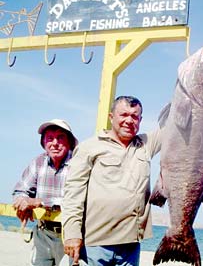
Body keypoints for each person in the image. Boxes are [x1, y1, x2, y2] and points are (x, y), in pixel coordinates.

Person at [61, 95, 162, 266]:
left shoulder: (146, 145)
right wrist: (72, 233)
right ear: (111, 117)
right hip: (94, 245)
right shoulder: (89, 147)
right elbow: (73, 194)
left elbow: (175, 126)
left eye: (134, 116)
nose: (129, 120)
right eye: (123, 115)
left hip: (130, 247)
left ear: (140, 120)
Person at [13, 119, 78, 266]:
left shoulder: (78, 164)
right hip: (42, 234)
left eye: (60, 137)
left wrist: (40, 202)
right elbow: (20, 190)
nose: (55, 143)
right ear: (44, 143)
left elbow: (77, 200)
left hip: (70, 236)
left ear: (70, 142)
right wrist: (23, 202)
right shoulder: (38, 162)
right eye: (50, 138)